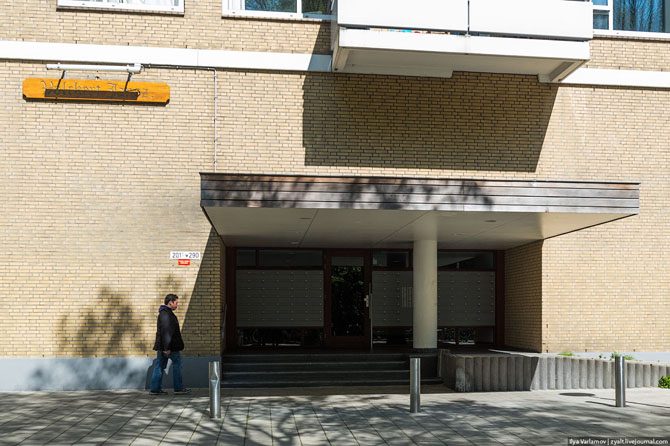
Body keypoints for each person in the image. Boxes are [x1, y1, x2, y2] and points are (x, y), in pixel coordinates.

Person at [149, 293, 190, 395]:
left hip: (165, 346)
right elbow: (166, 332)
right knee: (177, 364)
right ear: (170, 302)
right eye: (176, 303)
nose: (177, 305)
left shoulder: (165, 313)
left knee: (159, 366)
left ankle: (155, 389)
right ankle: (178, 388)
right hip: (170, 347)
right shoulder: (166, 314)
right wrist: (166, 348)